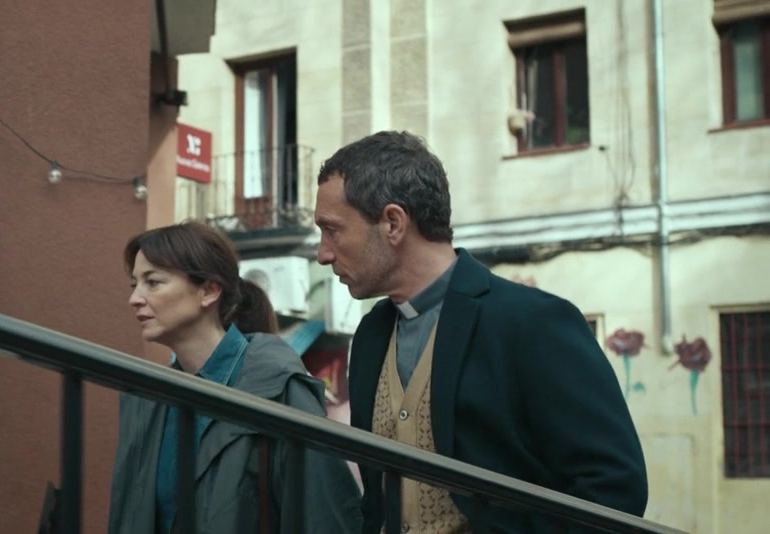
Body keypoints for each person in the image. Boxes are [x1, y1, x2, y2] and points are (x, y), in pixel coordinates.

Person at [313, 131, 648, 533]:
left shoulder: (533, 323)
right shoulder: (371, 335)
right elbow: (378, 500)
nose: (322, 253)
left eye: (332, 230)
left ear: (393, 223)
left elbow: (614, 488)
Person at [107, 221, 362, 534]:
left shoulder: (278, 385)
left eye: (153, 282)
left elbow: (323, 515)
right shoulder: (147, 403)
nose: (135, 298)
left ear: (209, 290)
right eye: (134, 284)